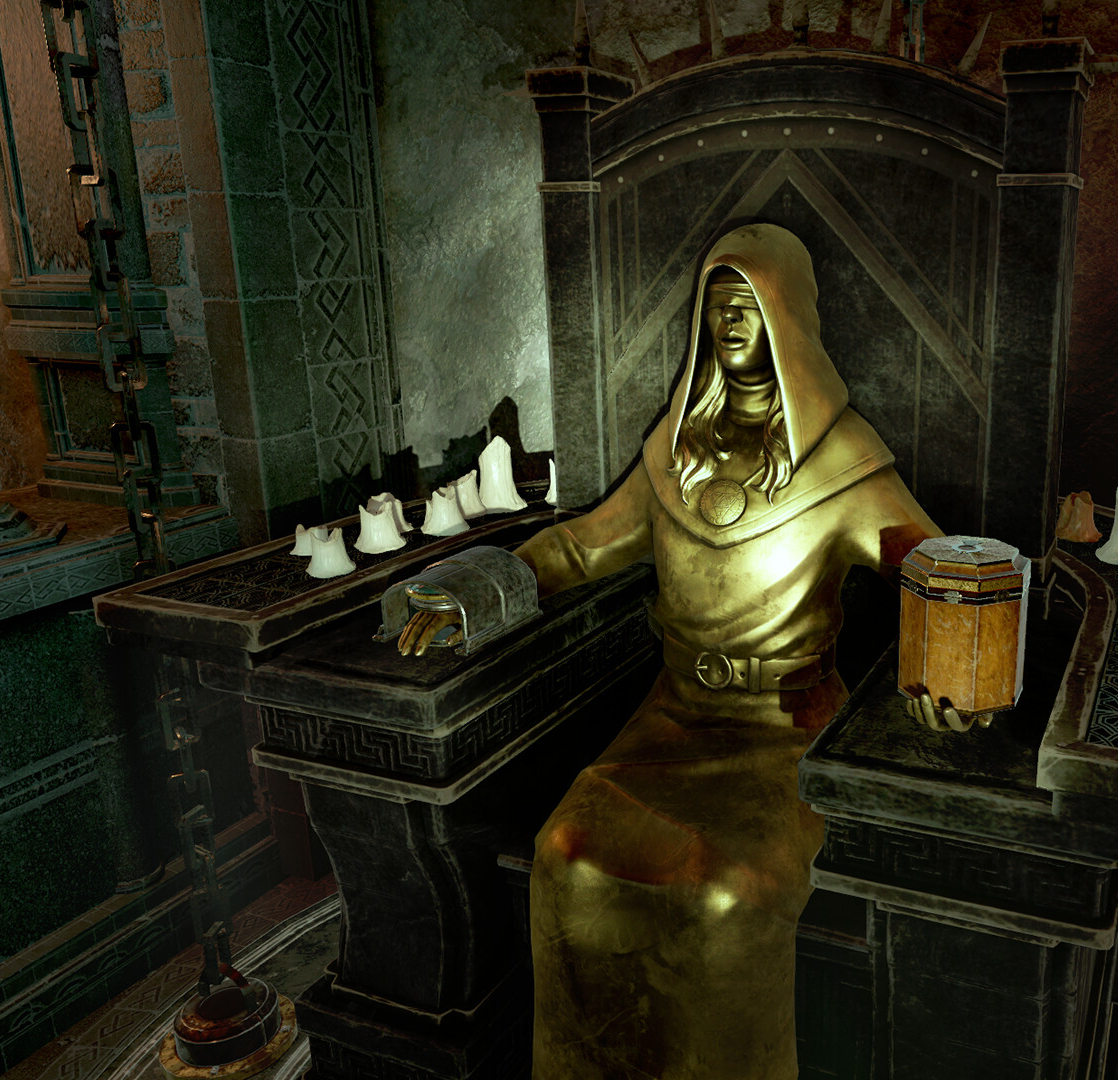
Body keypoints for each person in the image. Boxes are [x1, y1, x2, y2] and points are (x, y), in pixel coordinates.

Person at [396, 222, 950, 1078]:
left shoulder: (845, 459)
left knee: (727, 889)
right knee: (564, 855)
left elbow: (935, 569)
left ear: (789, 319)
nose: (729, 323)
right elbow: (581, 545)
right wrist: (477, 587)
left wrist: (955, 669)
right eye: (717, 306)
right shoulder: (675, 448)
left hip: (786, 730)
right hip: (671, 721)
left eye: (749, 305)